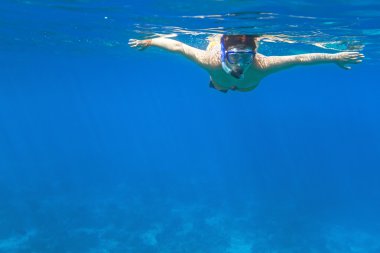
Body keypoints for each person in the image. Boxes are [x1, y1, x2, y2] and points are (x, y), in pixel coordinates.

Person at [128, 34, 364, 93]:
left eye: (246, 56)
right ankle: (222, 88)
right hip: (219, 80)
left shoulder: (262, 64)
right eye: (234, 55)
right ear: (223, 52)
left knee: (245, 87)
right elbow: (178, 47)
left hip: (249, 86)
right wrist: (149, 41)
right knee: (220, 86)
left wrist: (336, 57)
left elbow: (300, 59)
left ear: (255, 53)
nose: (241, 61)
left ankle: (229, 88)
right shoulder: (210, 60)